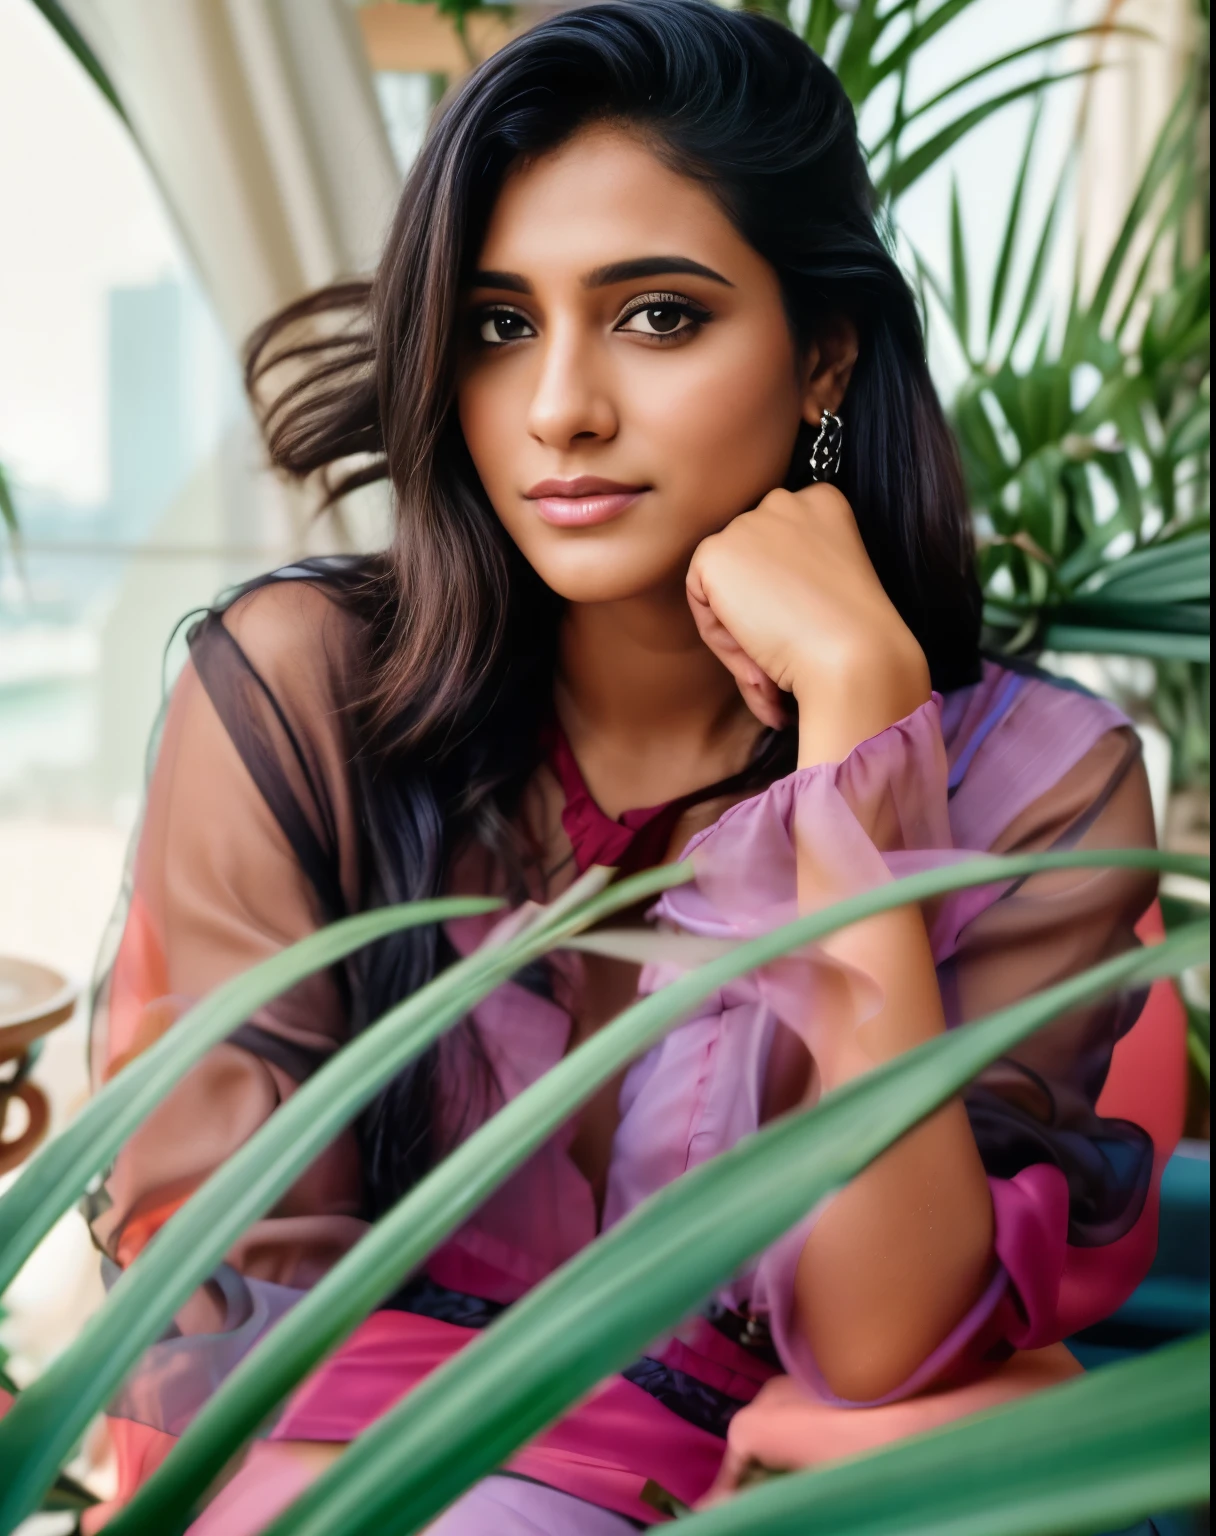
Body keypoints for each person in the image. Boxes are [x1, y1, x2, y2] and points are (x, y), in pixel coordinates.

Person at [88, 4, 1169, 1531]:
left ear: (822, 360)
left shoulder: (1037, 784)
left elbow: (879, 1340)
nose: (558, 411)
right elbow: (221, 1295)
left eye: (658, 315)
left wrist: (862, 727)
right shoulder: (303, 697)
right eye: (499, 324)